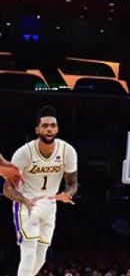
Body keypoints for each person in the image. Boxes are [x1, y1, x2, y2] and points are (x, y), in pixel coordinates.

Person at [4, 107, 79, 276]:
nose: (49, 129)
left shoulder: (67, 151)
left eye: (53, 125)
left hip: (50, 204)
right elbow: (7, 189)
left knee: (40, 259)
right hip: (26, 203)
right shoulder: (24, 153)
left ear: (57, 129)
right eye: (45, 126)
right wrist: (25, 201)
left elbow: (73, 183)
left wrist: (68, 193)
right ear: (37, 129)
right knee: (29, 254)